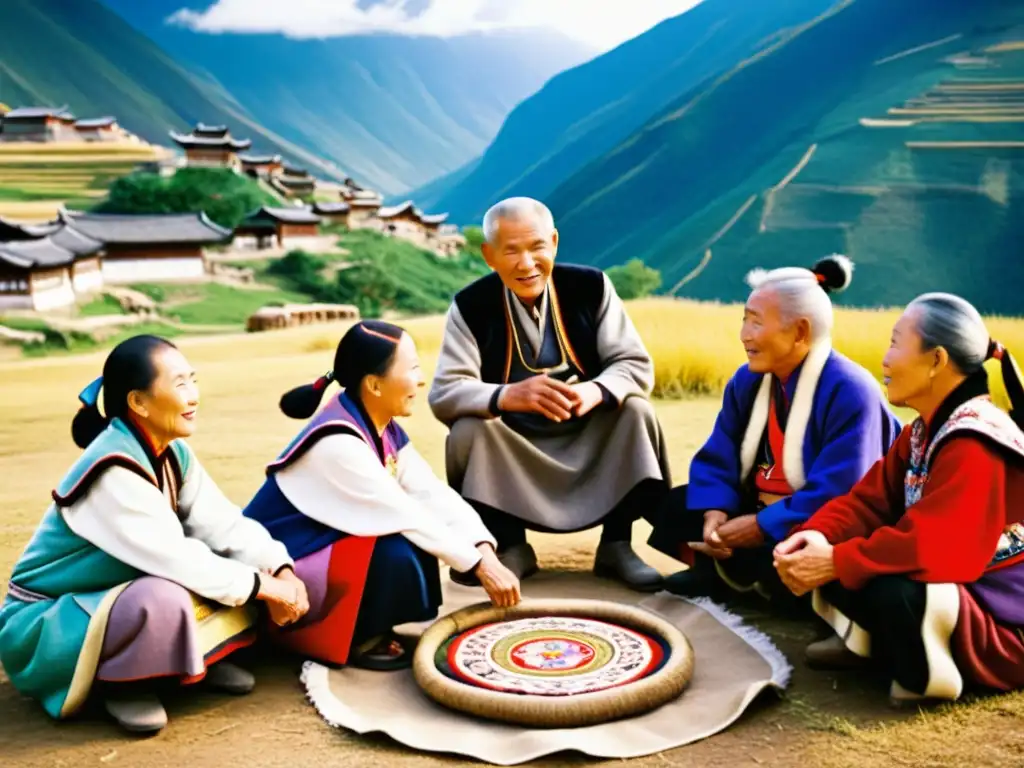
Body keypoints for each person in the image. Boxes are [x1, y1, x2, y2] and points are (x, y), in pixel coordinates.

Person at [0, 335, 308, 734]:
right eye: (180, 384)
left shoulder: (173, 452)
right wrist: (265, 588)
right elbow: (176, 558)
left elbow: (223, 524)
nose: (193, 396)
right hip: (48, 621)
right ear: (139, 403)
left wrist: (278, 568)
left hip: (117, 593)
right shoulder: (110, 469)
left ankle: (188, 665)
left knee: (236, 567)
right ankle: (124, 684)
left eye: (193, 380)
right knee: (165, 597)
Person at [774, 293, 1024, 705]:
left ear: (937, 360)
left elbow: (937, 546)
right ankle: (869, 643)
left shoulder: (975, 441)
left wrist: (836, 560)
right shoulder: (923, 433)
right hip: (961, 595)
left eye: (895, 343)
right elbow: (866, 502)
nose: (885, 359)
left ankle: (928, 675)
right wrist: (814, 536)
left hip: (1001, 624)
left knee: (892, 588)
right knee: (831, 553)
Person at [243, 320, 521, 671]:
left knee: (414, 541)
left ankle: (371, 624)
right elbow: (406, 513)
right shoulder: (338, 443)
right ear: (374, 384)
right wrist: (480, 567)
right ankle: (357, 634)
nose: (421, 380)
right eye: (413, 369)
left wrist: (483, 550)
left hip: (314, 552)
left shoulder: (379, 425)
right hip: (281, 570)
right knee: (394, 550)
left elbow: (430, 492)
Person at [427, 197, 671, 592]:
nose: (526, 263)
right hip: (514, 439)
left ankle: (616, 545)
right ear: (489, 255)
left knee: (635, 410)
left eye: (537, 247)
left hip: (587, 429)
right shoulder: (470, 307)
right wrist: (507, 396)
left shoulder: (591, 287)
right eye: (511, 250)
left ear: (554, 242)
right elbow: (445, 393)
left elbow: (635, 365)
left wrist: (595, 391)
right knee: (467, 431)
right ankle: (510, 546)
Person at [647, 256, 901, 608]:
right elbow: (720, 453)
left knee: (806, 545)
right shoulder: (748, 380)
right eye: (744, 321)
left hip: (814, 518)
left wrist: (762, 525)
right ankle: (719, 571)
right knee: (678, 505)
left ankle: (751, 581)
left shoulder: (850, 390)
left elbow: (843, 493)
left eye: (756, 323)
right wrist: (716, 512)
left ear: (800, 331)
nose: (744, 335)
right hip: (760, 506)